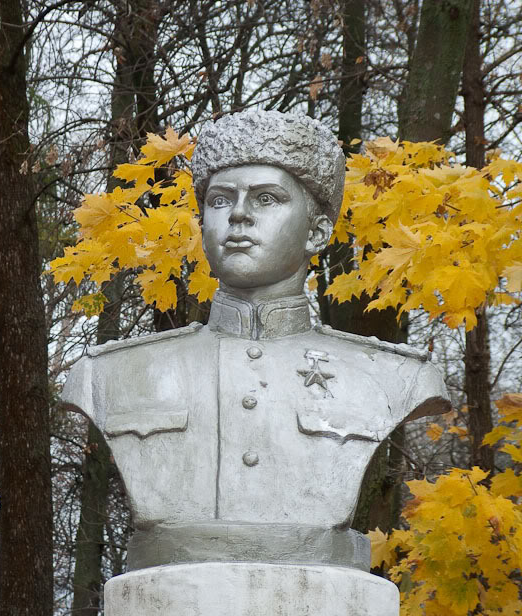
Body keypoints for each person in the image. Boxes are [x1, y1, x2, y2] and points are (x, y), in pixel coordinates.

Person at [62, 109, 449, 570]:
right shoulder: (107, 374)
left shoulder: (394, 377)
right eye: (221, 199)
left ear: (318, 230)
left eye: (267, 198)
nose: (239, 214)